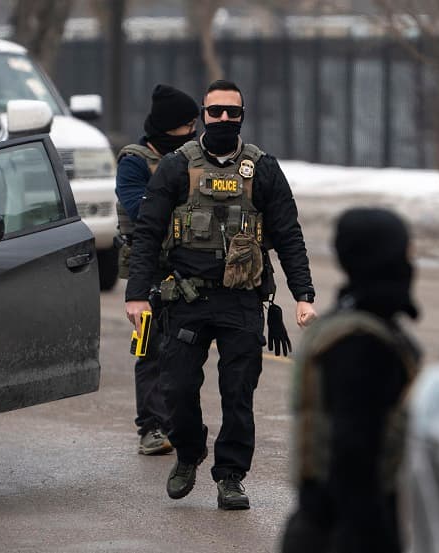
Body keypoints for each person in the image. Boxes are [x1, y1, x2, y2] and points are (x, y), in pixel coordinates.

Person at [124, 79, 317, 510]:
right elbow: (149, 232)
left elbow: (288, 233)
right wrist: (137, 295)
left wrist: (303, 293)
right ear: (203, 116)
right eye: (216, 112)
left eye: (233, 112)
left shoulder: (262, 168)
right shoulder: (177, 166)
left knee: (238, 395)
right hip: (187, 301)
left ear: (242, 115)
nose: (225, 119)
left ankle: (230, 476)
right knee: (175, 391)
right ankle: (189, 454)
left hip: (242, 302)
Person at [280, 208, 422, 553]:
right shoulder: (363, 342)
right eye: (404, 254)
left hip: (319, 524)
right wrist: (378, 538)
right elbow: (353, 458)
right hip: (346, 532)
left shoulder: (338, 324)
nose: (409, 265)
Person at [115, 83, 199, 455]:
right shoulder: (134, 160)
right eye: (187, 125)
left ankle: (177, 422)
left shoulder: (192, 157)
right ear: (168, 127)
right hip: (146, 270)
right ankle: (150, 426)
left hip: (186, 267)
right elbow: (140, 210)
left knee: (183, 350)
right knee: (148, 348)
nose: (194, 131)